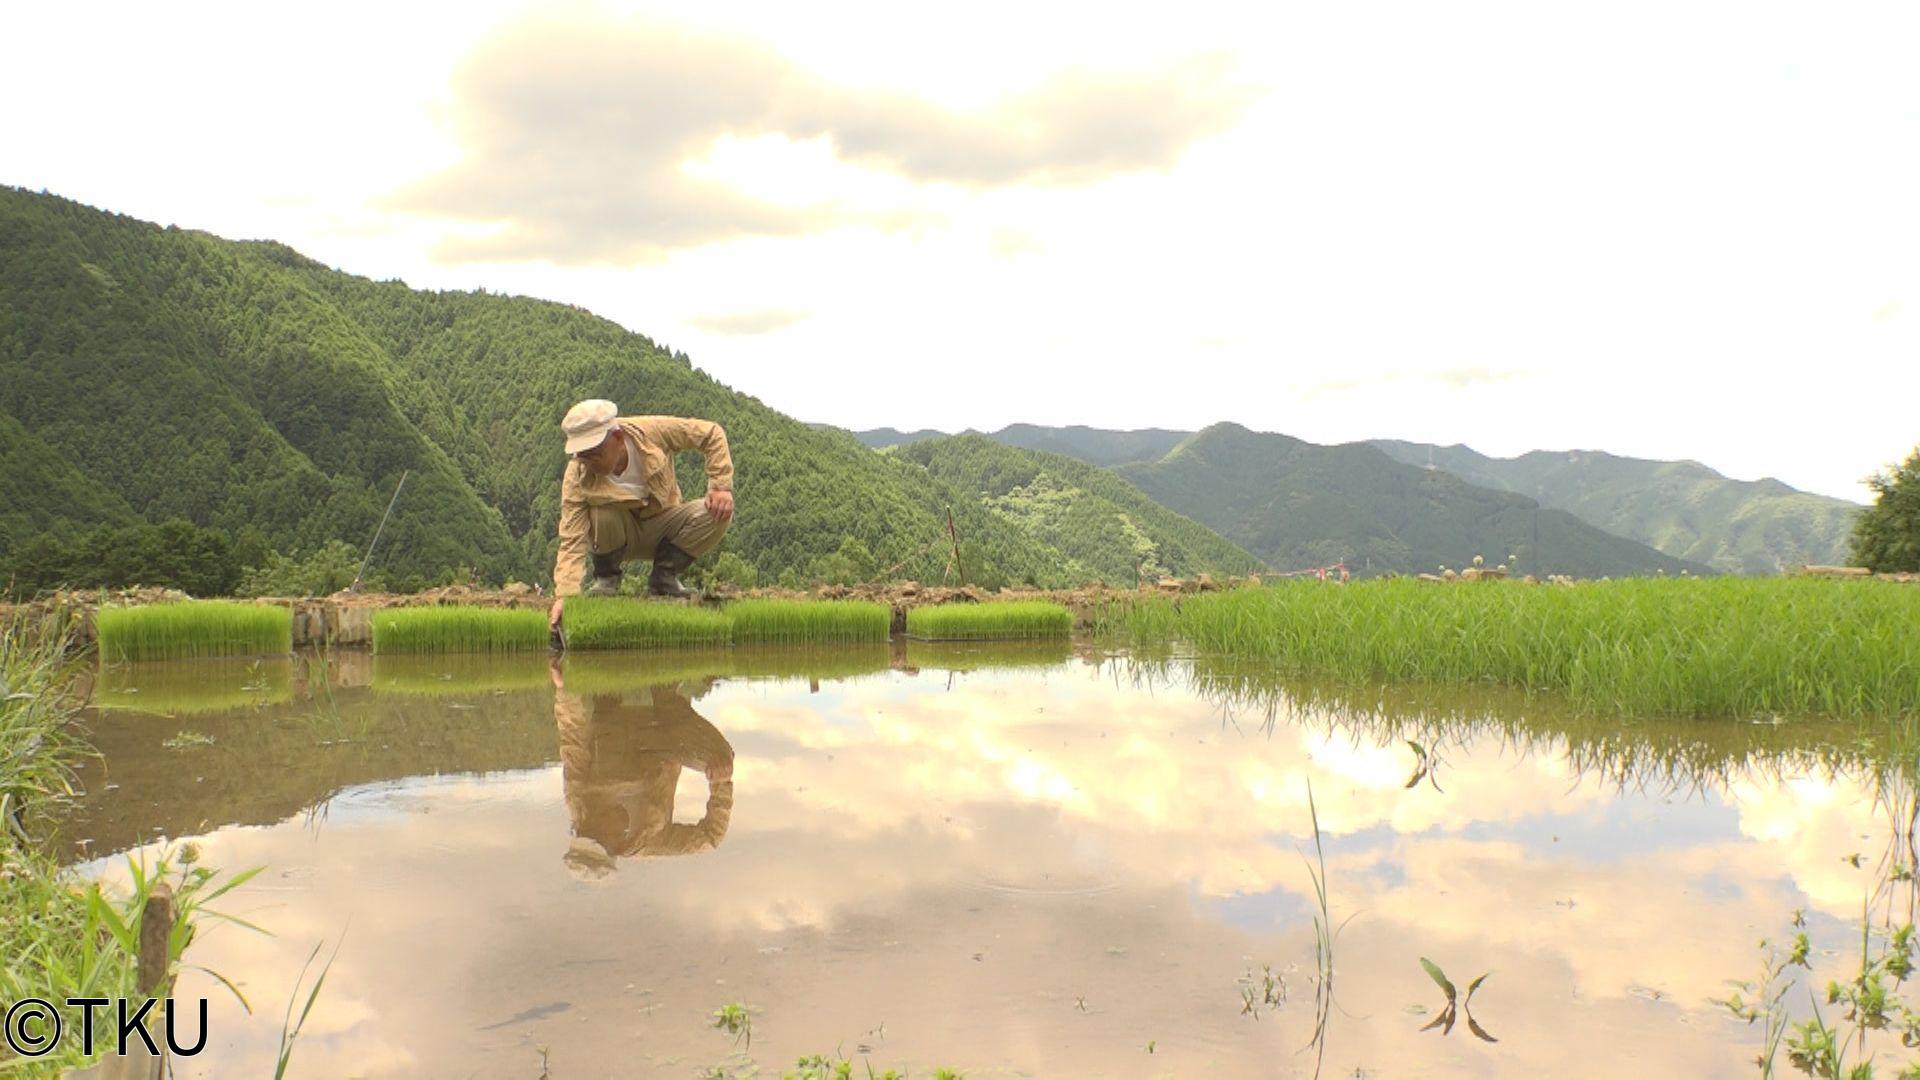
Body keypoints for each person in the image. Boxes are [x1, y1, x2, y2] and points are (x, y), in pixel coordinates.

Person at [547, 400, 736, 636]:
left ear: (616, 438)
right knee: (601, 510)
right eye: (582, 457)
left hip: (663, 525)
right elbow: (571, 539)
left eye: (595, 455)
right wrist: (566, 595)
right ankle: (606, 579)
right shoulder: (577, 475)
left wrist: (720, 485)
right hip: (614, 536)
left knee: (716, 514)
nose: (589, 464)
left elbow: (711, 434)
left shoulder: (650, 432)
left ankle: (664, 577)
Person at [550, 657, 735, 880]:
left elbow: (573, 737)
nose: (607, 835)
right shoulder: (651, 841)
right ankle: (665, 687)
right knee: (721, 756)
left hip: (612, 719)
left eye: (592, 833)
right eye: (607, 843)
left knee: (605, 678)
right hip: (664, 737)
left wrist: (565, 688)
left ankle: (613, 665)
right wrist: (720, 785)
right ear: (615, 850)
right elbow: (710, 838)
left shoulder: (578, 801)